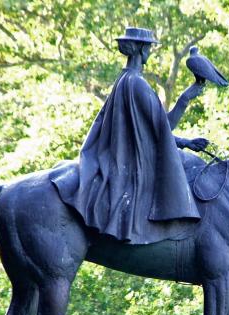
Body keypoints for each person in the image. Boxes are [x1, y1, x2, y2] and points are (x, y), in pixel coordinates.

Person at [52, 27, 208, 244]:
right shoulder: (137, 84)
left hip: (122, 155)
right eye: (149, 48)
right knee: (188, 166)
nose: (150, 52)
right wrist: (185, 101)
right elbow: (164, 126)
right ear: (141, 49)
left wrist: (185, 139)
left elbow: (152, 130)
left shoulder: (123, 80)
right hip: (132, 161)